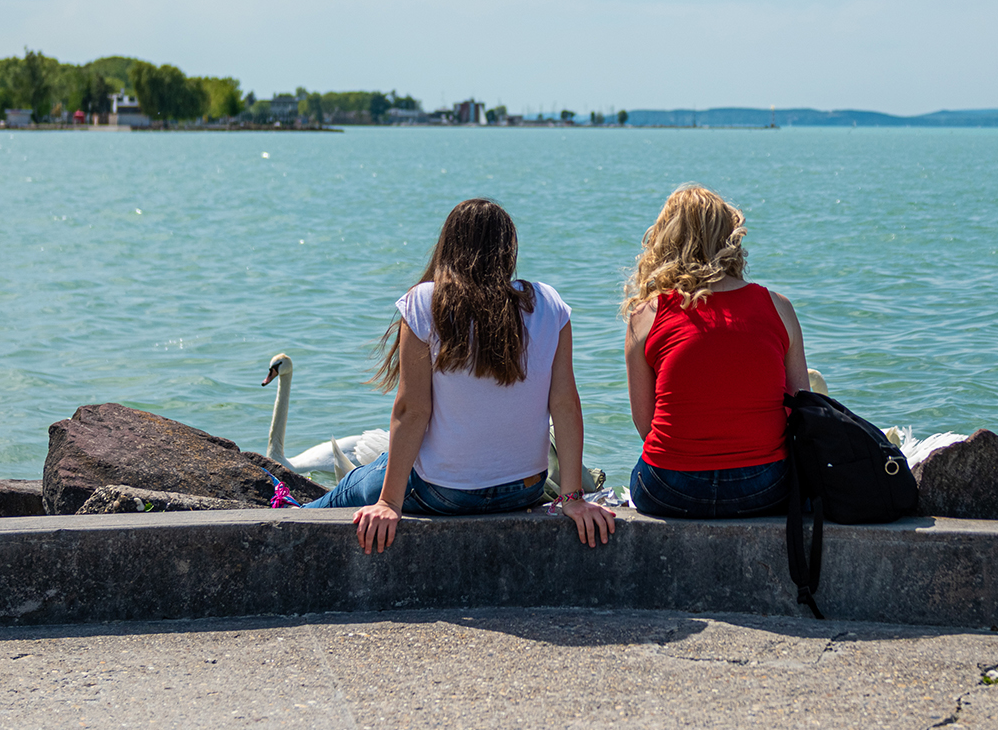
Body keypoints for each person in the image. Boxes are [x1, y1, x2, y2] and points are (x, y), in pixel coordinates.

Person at [307, 198, 617, 554]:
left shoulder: (425, 302)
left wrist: (389, 503)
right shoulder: (547, 304)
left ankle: (290, 516)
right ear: (508, 250)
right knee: (378, 467)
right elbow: (565, 404)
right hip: (524, 487)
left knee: (355, 485)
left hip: (443, 493)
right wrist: (573, 497)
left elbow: (411, 410)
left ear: (448, 247)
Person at [623, 184, 811, 518]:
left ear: (665, 239)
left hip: (669, 487)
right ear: (730, 239)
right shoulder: (778, 307)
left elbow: (646, 424)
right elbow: (801, 410)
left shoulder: (646, 315)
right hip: (765, 484)